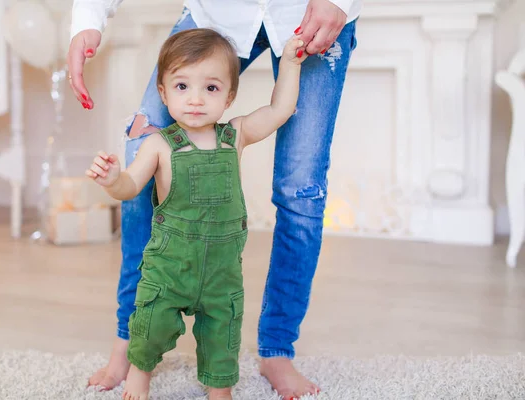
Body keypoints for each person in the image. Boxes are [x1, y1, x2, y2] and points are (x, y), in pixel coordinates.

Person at [69, 0, 361, 398]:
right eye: (182, 87)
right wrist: (88, 21)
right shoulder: (161, 144)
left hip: (308, 15)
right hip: (219, 12)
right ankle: (129, 341)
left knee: (301, 191)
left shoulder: (234, 134)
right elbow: (127, 185)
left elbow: (280, 109)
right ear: (165, 89)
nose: (193, 99)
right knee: (140, 148)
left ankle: (276, 350)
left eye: (209, 88)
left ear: (228, 98)